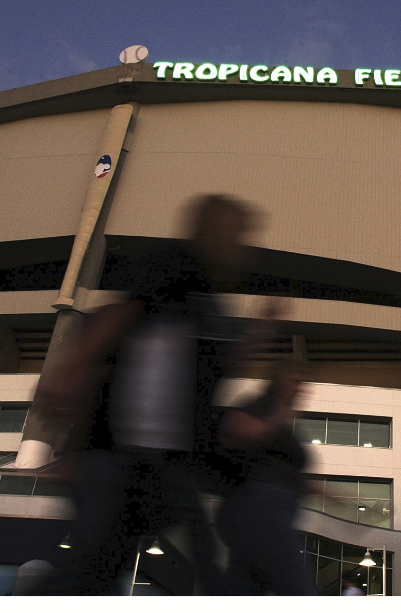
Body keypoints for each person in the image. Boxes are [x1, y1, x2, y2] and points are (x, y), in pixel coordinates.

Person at [37, 194, 280, 595]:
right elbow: (121, 314)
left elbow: (226, 359)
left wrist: (263, 327)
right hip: (121, 451)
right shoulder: (174, 264)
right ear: (209, 229)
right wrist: (70, 368)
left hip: (168, 460)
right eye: (237, 232)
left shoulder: (212, 303)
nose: (244, 245)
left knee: (102, 567)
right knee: (94, 571)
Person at [216, 359, 317, 595]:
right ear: (279, 380)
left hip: (269, 510)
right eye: (295, 381)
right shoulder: (262, 405)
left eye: (304, 383)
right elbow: (235, 430)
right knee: (298, 588)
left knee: (243, 588)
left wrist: (328, 493)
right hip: (261, 508)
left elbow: (287, 471)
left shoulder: (283, 424)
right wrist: (278, 416)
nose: (301, 388)